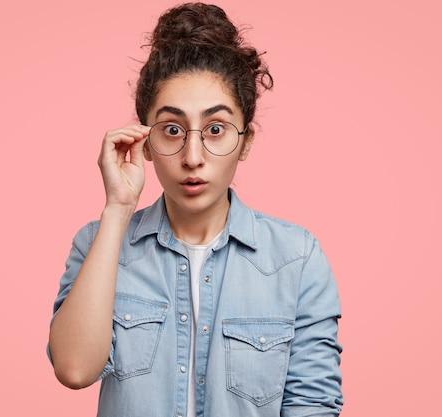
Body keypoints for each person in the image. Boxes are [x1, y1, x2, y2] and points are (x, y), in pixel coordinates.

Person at [47, 3, 343, 416]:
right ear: (144, 141)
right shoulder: (97, 245)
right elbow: (75, 369)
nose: (192, 156)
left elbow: (312, 405)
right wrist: (118, 208)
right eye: (171, 129)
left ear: (246, 141)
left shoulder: (297, 259)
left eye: (216, 129)